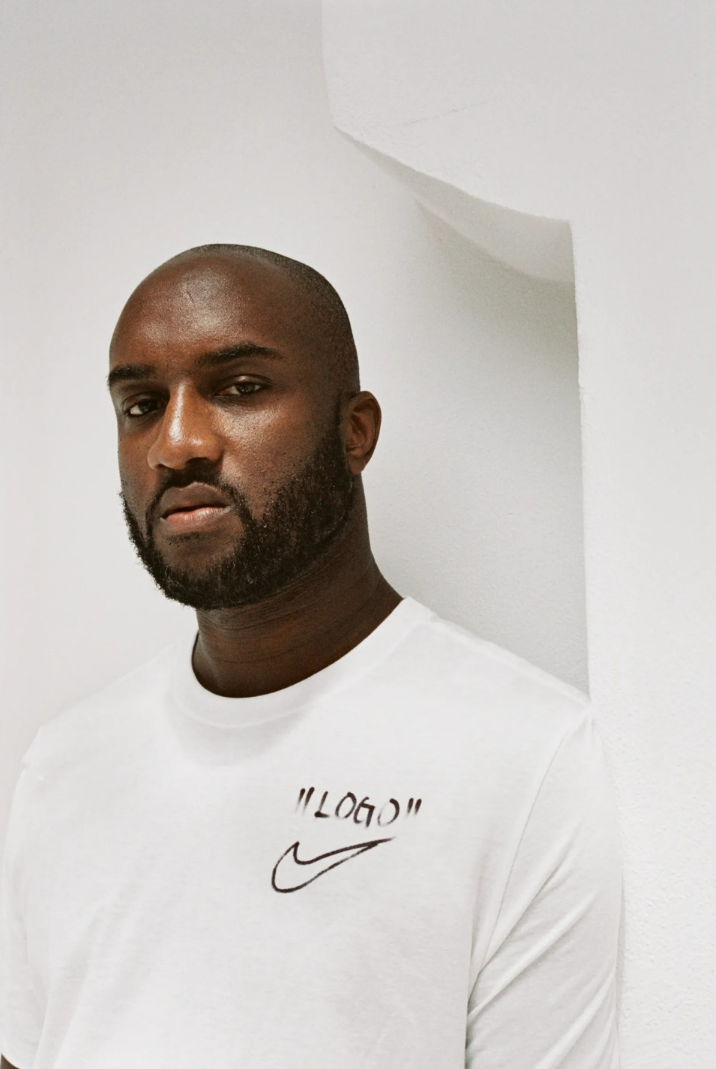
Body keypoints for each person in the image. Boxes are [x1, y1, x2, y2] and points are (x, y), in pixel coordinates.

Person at [0, 245, 622, 1069]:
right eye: (142, 404)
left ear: (354, 431)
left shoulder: (527, 757)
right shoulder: (65, 762)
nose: (176, 443)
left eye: (239, 387)